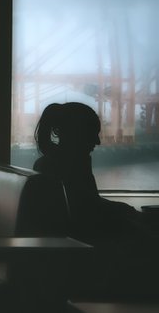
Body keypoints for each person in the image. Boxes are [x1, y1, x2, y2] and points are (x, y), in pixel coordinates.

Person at [33, 102, 156, 297]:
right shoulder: (70, 165)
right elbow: (87, 214)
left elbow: (86, 206)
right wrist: (128, 214)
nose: (97, 142)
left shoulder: (50, 163)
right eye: (92, 133)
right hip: (83, 249)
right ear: (75, 133)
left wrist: (125, 211)